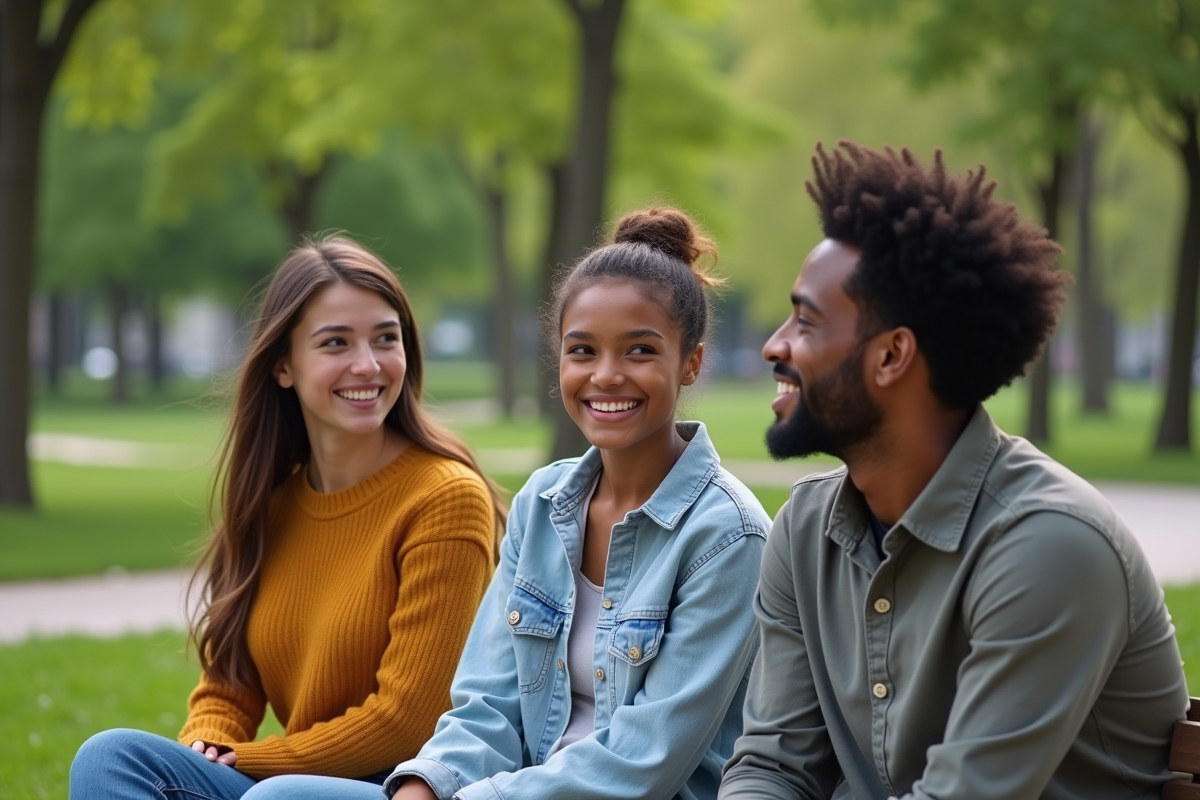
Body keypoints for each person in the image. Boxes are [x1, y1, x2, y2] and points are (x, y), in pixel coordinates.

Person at [717, 141, 1191, 800]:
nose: (773, 345)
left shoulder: (1048, 545)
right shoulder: (804, 531)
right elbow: (773, 767)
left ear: (891, 357)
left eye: (805, 320)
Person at [332, 206, 764, 800]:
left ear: (691, 362)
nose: (606, 376)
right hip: (496, 793)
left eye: (639, 351)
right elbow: (488, 706)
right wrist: (425, 791)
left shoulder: (729, 537)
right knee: (274, 797)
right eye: (582, 351)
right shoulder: (543, 502)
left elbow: (644, 764)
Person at [69, 236, 504, 800]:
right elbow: (229, 686)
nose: (367, 364)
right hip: (284, 783)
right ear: (283, 366)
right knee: (109, 759)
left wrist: (247, 760)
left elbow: (407, 720)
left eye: (385, 339)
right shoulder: (270, 505)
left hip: (407, 784)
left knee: (276, 797)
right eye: (336, 343)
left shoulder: (444, 498)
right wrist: (208, 742)